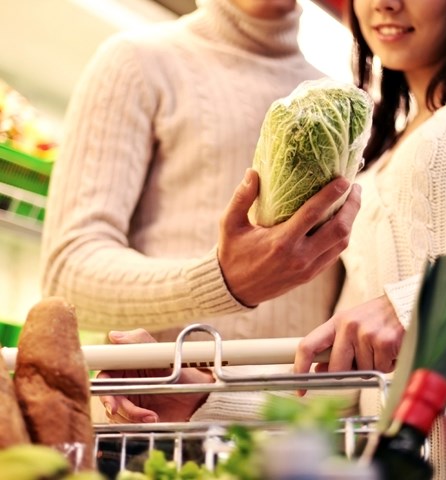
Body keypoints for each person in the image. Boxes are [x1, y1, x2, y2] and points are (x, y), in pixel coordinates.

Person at [40, 0, 361, 422]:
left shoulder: (344, 105)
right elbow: (68, 274)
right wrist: (221, 281)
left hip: (287, 435)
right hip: (154, 429)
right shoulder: (137, 62)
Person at [294, 0, 446, 478]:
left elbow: (403, 310)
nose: (384, 3)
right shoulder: (377, 155)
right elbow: (346, 384)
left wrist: (413, 303)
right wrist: (203, 398)